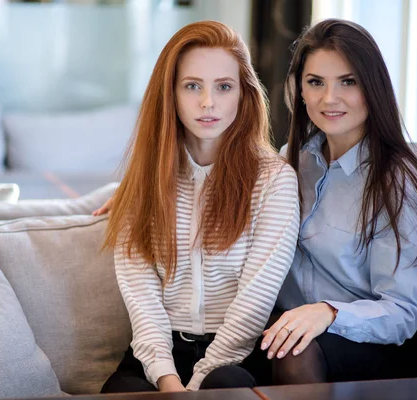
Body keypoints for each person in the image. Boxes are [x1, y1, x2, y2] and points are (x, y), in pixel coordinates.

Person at [98, 20, 300, 393]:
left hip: (238, 356)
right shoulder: (142, 182)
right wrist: (168, 380)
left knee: (224, 387)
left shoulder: (274, 180)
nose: (208, 102)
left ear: (243, 94)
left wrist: (195, 388)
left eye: (224, 87)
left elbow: (255, 301)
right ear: (170, 94)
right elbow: (142, 300)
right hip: (158, 354)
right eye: (192, 86)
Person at [260, 18, 417, 384]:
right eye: (316, 82)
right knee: (224, 370)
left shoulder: (398, 184)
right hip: (294, 331)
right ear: (299, 91)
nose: (330, 99)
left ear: (372, 87)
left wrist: (329, 312)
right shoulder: (290, 163)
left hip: (379, 346)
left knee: (294, 350)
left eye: (348, 81)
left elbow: (402, 313)